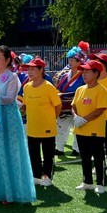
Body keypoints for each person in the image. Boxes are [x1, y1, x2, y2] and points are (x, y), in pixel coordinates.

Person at [0, 47, 36, 203]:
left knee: (9, 151)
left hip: (7, 118)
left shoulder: (12, 77)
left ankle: (11, 193)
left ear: (7, 60)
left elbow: (10, 98)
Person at [72, 60, 107, 193]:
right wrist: (76, 116)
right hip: (81, 130)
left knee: (99, 158)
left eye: (87, 71)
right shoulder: (79, 89)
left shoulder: (101, 90)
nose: (84, 74)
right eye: (83, 71)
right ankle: (87, 181)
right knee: (84, 158)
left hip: (95, 131)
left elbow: (100, 110)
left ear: (96, 73)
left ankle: (101, 184)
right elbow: (74, 106)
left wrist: (83, 119)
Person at [22, 58, 61, 187]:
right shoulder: (26, 87)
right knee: (34, 154)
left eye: (33, 69)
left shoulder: (48, 87)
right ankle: (36, 176)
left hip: (47, 128)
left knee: (48, 154)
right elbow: (25, 105)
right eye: (28, 69)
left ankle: (47, 176)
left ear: (41, 70)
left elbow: (58, 105)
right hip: (32, 127)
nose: (29, 71)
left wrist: (52, 119)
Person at [54, 48, 84, 158]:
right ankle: (60, 148)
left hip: (77, 106)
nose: (70, 62)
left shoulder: (83, 76)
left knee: (77, 128)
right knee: (61, 128)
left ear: (79, 61)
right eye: (69, 60)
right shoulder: (64, 76)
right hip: (64, 106)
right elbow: (59, 89)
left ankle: (76, 149)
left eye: (72, 60)